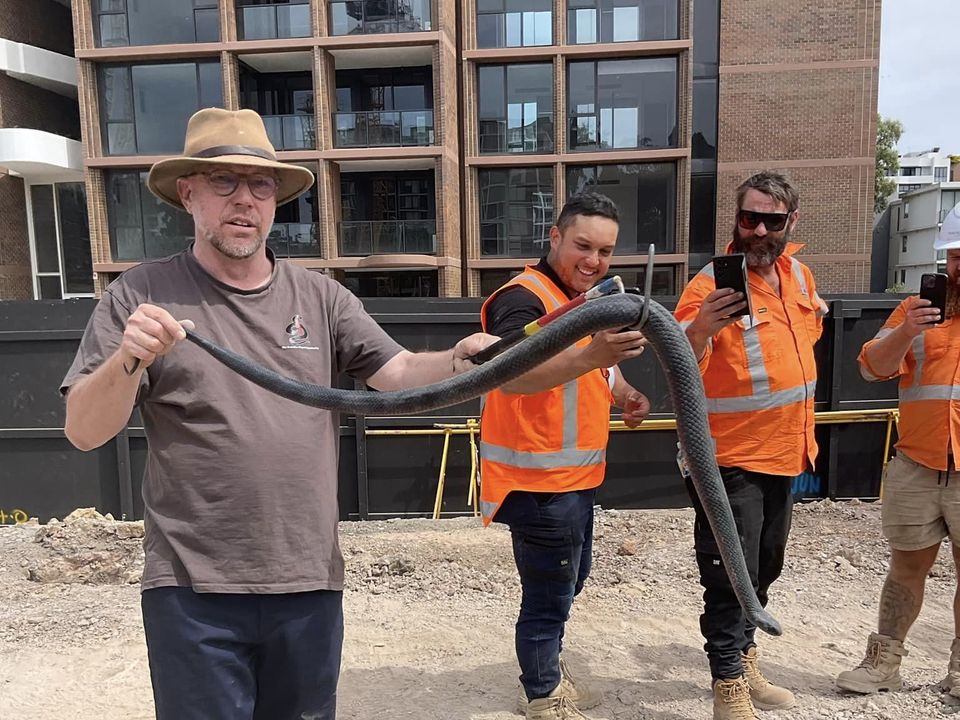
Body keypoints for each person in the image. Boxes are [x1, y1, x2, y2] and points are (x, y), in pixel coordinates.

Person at [59, 107, 496, 720]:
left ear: (276, 199)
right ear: (188, 194)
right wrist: (128, 358)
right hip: (192, 589)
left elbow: (394, 374)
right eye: (224, 183)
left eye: (260, 185)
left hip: (308, 581)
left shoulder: (319, 296)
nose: (245, 201)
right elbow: (84, 430)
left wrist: (455, 360)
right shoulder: (139, 296)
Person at [478, 192, 651, 720]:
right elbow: (510, 374)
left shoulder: (592, 297)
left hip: (575, 480)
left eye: (605, 250)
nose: (594, 260)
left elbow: (601, 369)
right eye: (582, 245)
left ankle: (546, 667)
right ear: (554, 237)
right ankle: (542, 694)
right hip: (535, 485)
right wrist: (596, 353)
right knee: (548, 596)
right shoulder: (522, 299)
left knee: (570, 581)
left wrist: (625, 394)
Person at [675, 171, 827, 719]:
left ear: (791, 222)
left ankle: (744, 653)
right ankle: (728, 684)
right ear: (736, 220)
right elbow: (678, 372)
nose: (758, 230)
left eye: (771, 220)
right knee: (727, 572)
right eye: (748, 218)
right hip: (726, 461)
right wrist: (697, 333)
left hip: (786, 452)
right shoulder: (706, 288)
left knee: (765, 564)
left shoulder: (801, 279)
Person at [836, 204, 960, 696]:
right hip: (917, 467)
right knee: (906, 567)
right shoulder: (915, 311)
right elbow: (871, 367)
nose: (959, 267)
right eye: (955, 256)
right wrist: (909, 329)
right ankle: (883, 661)